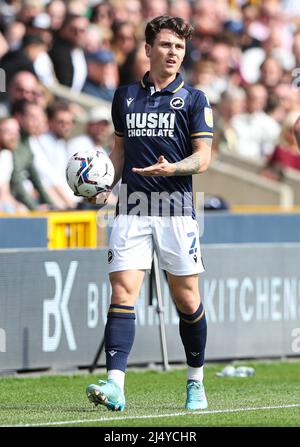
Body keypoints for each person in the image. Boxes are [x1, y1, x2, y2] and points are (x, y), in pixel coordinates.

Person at [86, 16, 213, 412]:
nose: (173, 52)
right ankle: (115, 385)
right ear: (148, 49)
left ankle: (195, 381)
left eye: (179, 46)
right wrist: (104, 184)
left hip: (176, 210)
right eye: (165, 45)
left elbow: (203, 158)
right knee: (122, 293)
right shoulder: (124, 96)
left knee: (187, 299)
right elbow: (119, 151)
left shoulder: (194, 99)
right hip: (132, 209)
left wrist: (171, 168)